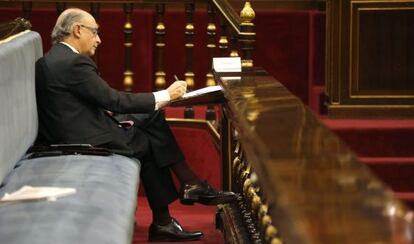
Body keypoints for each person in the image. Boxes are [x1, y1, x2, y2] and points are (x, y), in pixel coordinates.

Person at [34, 8, 236, 242]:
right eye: (95, 32)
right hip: (81, 138)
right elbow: (114, 100)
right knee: (146, 141)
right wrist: (166, 95)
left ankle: (183, 194)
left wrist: (159, 100)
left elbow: (98, 100)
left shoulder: (53, 59)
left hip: (76, 126)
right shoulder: (73, 63)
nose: (99, 39)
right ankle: (174, 206)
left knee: (151, 118)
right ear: (77, 30)